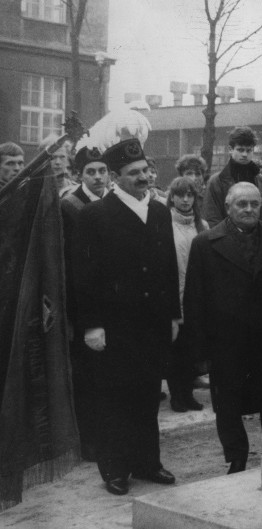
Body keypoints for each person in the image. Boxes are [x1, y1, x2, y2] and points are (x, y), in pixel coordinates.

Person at [74, 137, 182, 495]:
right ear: (116, 177)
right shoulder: (94, 215)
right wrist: (92, 325)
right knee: (116, 398)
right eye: (133, 172)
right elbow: (84, 275)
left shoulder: (161, 211)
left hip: (152, 323)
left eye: (145, 170)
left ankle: (147, 462)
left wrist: (173, 316)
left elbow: (168, 268)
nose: (143, 177)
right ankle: (115, 469)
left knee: (148, 395)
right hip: (114, 327)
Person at [183, 182, 262, 473]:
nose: (249, 209)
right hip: (227, 341)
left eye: (254, 203)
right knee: (228, 404)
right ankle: (237, 457)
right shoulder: (205, 244)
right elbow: (194, 300)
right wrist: (199, 350)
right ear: (228, 207)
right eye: (242, 204)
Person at [60, 147, 110, 462]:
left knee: (110, 375)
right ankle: (88, 439)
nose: (96, 177)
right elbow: (68, 263)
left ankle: (110, 435)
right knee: (88, 376)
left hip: (112, 301)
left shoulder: (113, 203)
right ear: (80, 175)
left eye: (101, 171)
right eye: (90, 172)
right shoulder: (70, 207)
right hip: (82, 302)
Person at [166, 177, 208, 413]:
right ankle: (177, 396)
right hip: (174, 293)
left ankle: (188, 394)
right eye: (180, 195)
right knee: (175, 349)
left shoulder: (202, 225)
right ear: (171, 197)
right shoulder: (164, 224)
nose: (185, 200)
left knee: (192, 348)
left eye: (189, 195)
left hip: (196, 296)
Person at [202, 127, 262, 227]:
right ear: (230, 149)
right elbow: (212, 218)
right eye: (240, 150)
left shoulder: (260, 181)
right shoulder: (216, 181)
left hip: (258, 240)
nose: (244, 154)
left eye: (249, 150)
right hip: (227, 240)